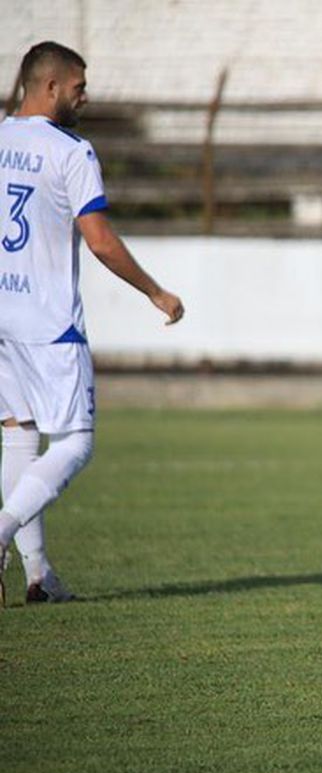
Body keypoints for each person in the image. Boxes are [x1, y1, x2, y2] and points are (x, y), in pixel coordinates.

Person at [0, 41, 184, 606]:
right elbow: (100, 241)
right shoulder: (71, 152)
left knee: (20, 435)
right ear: (51, 87)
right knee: (75, 441)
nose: (86, 96)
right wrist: (156, 292)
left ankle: (39, 577)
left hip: (3, 318)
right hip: (50, 324)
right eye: (79, 87)